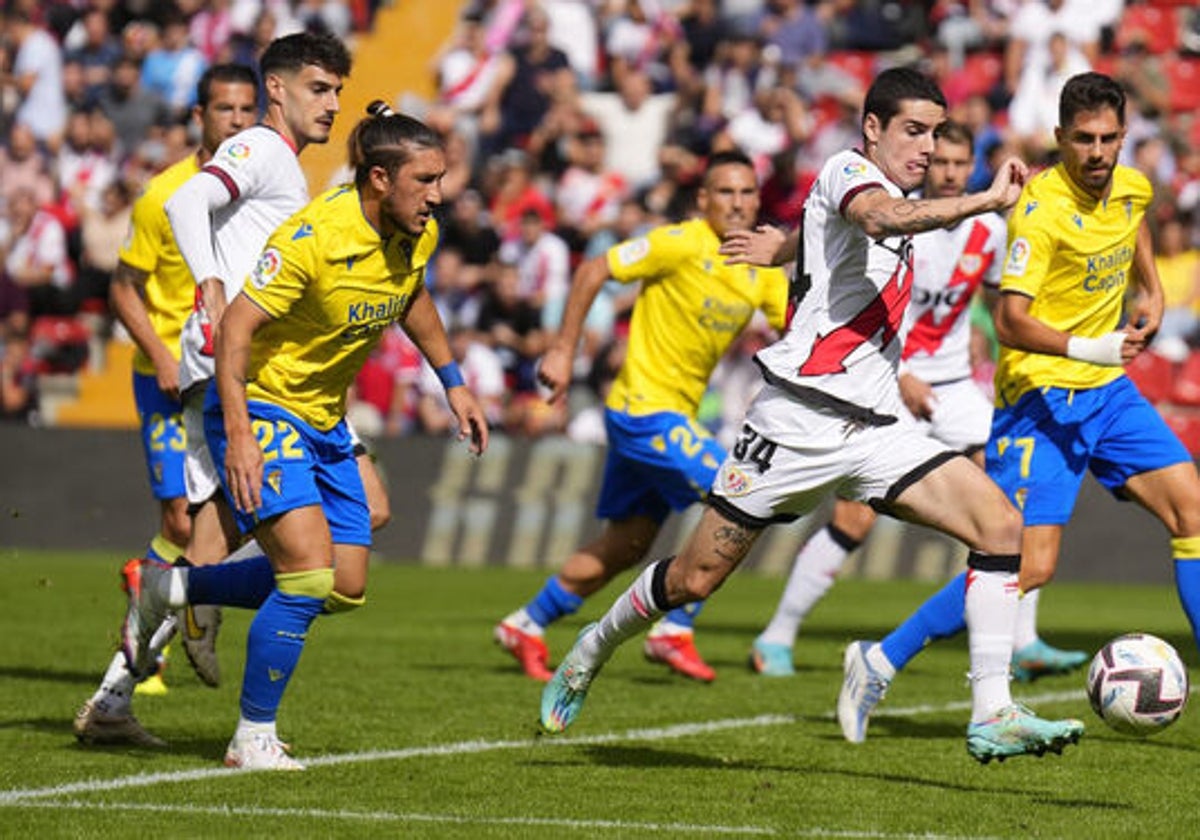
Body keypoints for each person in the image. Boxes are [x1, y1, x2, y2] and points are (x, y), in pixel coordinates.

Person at [539, 67, 1086, 764]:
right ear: (873, 129)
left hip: (878, 425)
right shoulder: (850, 171)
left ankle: (992, 711)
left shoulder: (887, 191)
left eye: (935, 133)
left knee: (1001, 525)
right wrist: (983, 199)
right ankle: (592, 646)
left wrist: (786, 246)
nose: (924, 148)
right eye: (913, 131)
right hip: (795, 424)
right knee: (693, 580)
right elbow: (874, 217)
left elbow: (837, 232)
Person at [831, 71, 1200, 745]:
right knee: (1027, 565)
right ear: (1060, 138)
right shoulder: (1037, 211)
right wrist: (1096, 344)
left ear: (1124, 136)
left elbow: (1134, 221)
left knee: (1193, 512)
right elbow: (1009, 322)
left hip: (1107, 394)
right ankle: (879, 659)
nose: (1097, 152)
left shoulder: (1133, 185)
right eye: (1082, 140)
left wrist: (1150, 290)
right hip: (1039, 397)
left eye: (1108, 139)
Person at [168, 109, 487, 769]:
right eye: (425, 179)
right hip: (264, 406)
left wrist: (453, 381)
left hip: (323, 418)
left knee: (343, 583)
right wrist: (237, 434)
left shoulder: (414, 233)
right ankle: (252, 737)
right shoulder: (313, 237)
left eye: (441, 179)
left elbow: (411, 297)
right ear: (379, 177)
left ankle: (172, 589)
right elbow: (235, 329)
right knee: (308, 574)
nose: (437, 194)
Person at [749, 120, 1087, 692]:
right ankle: (777, 634)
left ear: (970, 168)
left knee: (1012, 501)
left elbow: (992, 305)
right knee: (853, 519)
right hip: (891, 378)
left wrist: (984, 342)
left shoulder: (988, 231)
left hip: (956, 385)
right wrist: (902, 372)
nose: (950, 172)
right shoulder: (904, 223)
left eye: (960, 164)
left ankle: (1021, 642)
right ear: (929, 166)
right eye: (943, 163)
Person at [494, 149, 790, 682]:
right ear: (703, 200)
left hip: (672, 416)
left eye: (748, 193)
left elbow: (795, 329)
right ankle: (674, 630)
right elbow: (592, 269)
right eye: (726, 191)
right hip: (642, 410)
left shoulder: (761, 269)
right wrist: (564, 350)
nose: (739, 203)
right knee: (738, 493)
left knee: (625, 545)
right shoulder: (679, 243)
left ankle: (526, 623)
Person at [73, 64, 260, 748]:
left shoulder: (258, 191)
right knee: (183, 521)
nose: (236, 120)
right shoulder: (165, 195)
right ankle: (153, 638)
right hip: (166, 380)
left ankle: (171, 600)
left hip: (224, 380)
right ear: (198, 115)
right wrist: (157, 351)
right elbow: (125, 287)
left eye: (247, 108)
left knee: (212, 524)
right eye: (223, 108)